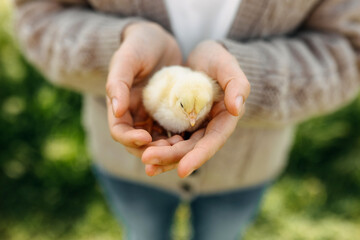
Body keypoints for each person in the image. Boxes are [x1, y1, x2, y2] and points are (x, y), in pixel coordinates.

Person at [13, 0, 360, 239]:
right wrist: (118, 50)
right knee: (143, 231)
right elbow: (38, 16)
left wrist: (245, 80)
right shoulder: (163, 99)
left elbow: (349, 49)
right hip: (126, 162)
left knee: (224, 233)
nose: (193, 119)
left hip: (246, 169)